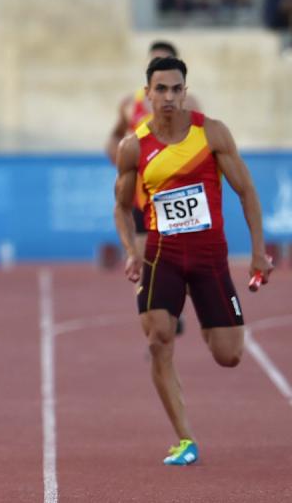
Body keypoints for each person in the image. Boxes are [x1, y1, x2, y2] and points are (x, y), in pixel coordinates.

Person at [113, 56, 273, 466]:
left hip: (209, 260)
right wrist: (132, 251)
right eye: (160, 89)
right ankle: (185, 438)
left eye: (175, 89)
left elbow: (247, 192)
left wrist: (258, 251)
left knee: (229, 355)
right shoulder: (134, 146)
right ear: (147, 93)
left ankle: (207, 319)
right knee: (158, 340)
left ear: (185, 91)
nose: (168, 96)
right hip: (161, 258)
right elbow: (119, 207)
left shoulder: (211, 133)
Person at [106, 41, 200, 335]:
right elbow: (113, 138)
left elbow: (200, 144)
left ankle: (172, 307)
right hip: (140, 195)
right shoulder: (129, 104)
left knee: (175, 260)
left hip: (173, 194)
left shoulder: (190, 103)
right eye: (154, 63)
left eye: (165, 62)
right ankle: (156, 321)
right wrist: (123, 164)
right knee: (145, 258)